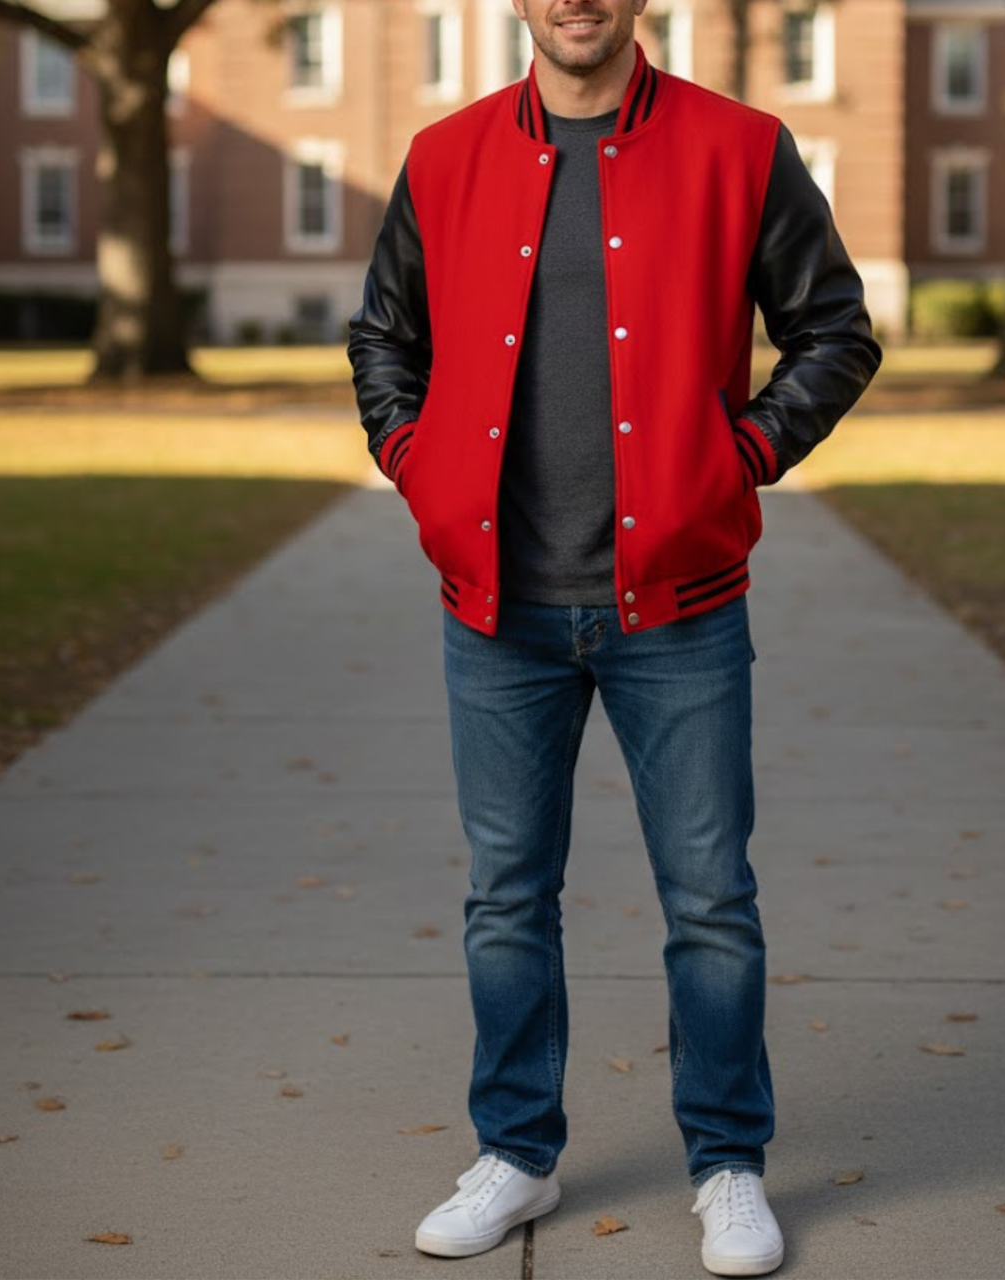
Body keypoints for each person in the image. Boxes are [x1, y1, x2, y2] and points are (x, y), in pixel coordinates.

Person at [346, 1, 881, 1273]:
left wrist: (733, 460)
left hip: (677, 607)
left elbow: (834, 333)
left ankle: (728, 1164)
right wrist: (417, 469)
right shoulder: (442, 156)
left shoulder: (740, 147)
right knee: (505, 899)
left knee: (708, 900)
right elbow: (385, 339)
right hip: (497, 612)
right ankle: (514, 1151)